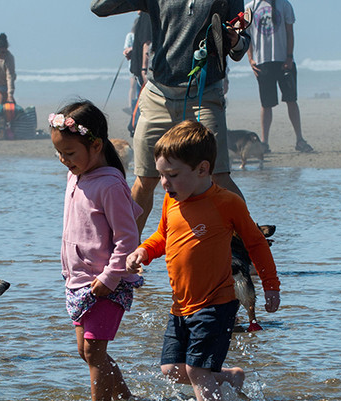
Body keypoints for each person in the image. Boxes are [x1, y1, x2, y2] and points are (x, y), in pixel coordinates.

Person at [125, 121, 281, 401]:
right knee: (171, 369)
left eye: (172, 175)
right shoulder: (171, 202)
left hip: (216, 304)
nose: (164, 183)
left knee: (197, 371)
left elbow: (256, 243)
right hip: (180, 305)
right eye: (160, 175)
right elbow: (163, 236)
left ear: (202, 170)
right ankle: (228, 378)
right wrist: (143, 251)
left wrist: (270, 286)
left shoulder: (226, 203)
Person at [91, 0, 252, 234]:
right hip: (158, 94)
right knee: (146, 179)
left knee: (218, 175)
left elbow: (240, 47)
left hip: (204, 95)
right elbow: (100, 8)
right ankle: (123, 254)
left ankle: (249, 248)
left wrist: (235, 41)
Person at [52, 100, 144, 401]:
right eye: (60, 153)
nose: (64, 160)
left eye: (70, 153)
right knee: (86, 352)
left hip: (105, 283)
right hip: (79, 280)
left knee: (94, 351)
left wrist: (111, 276)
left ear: (95, 146)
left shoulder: (111, 185)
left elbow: (128, 238)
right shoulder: (76, 175)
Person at [244, 0, 312, 153]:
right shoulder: (251, 7)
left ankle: (299, 139)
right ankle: (265, 142)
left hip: (283, 61)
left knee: (291, 100)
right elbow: (246, 35)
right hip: (263, 61)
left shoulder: (284, 5)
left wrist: (289, 56)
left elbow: (290, 32)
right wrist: (250, 59)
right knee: (266, 104)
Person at [124, 12, 152, 136]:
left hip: (143, 71)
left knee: (143, 102)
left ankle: (136, 125)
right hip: (139, 69)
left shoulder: (147, 15)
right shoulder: (143, 17)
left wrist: (144, 69)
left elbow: (147, 44)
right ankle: (135, 124)